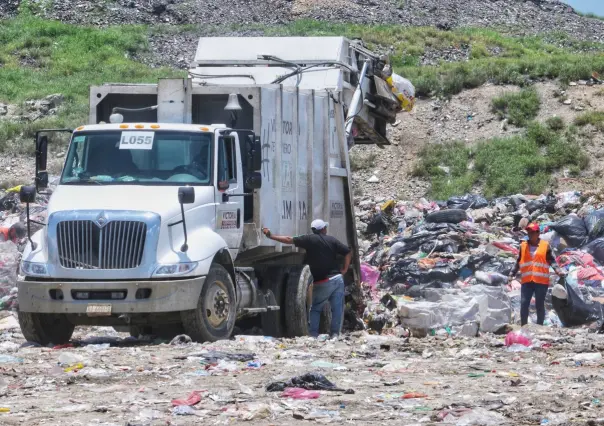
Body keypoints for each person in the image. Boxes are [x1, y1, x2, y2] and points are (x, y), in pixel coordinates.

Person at [262, 219, 352, 337]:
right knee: (337, 309)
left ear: (313, 230)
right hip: (337, 279)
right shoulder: (332, 240)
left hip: (322, 281)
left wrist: (271, 236)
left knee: (315, 308)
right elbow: (348, 252)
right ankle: (335, 334)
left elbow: (288, 239)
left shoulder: (308, 239)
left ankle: (313, 335)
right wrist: (344, 269)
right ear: (323, 229)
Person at [508, 222, 566, 326]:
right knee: (524, 304)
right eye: (529, 232)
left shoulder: (545, 245)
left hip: (541, 281)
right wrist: (511, 274)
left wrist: (558, 271)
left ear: (538, 233)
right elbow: (518, 261)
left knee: (539, 305)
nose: (530, 234)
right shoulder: (523, 245)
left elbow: (552, 260)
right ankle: (524, 326)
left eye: (533, 232)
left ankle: (539, 326)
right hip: (527, 281)